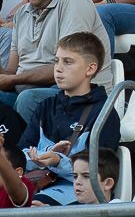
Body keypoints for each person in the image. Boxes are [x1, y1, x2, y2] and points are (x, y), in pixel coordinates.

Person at [0, 0, 113, 127]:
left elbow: (68, 68)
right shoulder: (21, 14)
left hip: (79, 98)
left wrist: (14, 79)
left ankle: (32, 154)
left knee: (28, 99)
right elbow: (11, 71)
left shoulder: (73, 1)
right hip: (30, 96)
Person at [18, 32, 120, 206]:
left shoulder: (105, 112)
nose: (58, 68)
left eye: (68, 62)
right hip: (37, 186)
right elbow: (20, 155)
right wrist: (44, 155)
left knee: (34, 206)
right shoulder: (46, 106)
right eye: (56, 61)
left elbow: (100, 170)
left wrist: (58, 161)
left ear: (90, 69)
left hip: (79, 195)